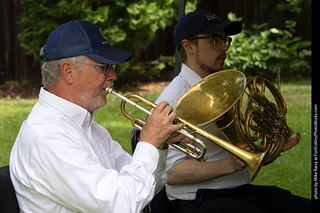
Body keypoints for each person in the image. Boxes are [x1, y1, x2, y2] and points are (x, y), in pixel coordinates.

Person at [9, 20, 187, 213]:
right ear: (68, 72)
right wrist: (149, 142)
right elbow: (122, 205)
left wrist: (159, 145)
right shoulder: (48, 136)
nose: (113, 76)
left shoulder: (87, 127)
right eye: (104, 67)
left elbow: (144, 186)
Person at [155, 10, 311, 212]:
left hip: (242, 192)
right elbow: (171, 173)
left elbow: (239, 144)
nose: (224, 47)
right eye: (214, 39)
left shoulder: (224, 86)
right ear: (188, 46)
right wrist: (229, 165)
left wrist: (269, 147)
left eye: (225, 40)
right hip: (199, 200)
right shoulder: (171, 100)